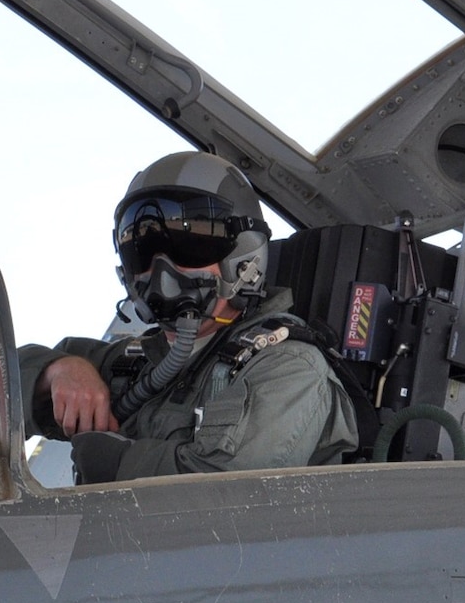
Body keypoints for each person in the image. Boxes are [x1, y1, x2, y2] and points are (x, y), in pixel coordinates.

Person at [20, 151, 358, 483]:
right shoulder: (140, 362)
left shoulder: (289, 366)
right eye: (142, 249)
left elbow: (228, 495)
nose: (162, 268)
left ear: (244, 256)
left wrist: (118, 464)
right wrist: (58, 370)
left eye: (190, 244)